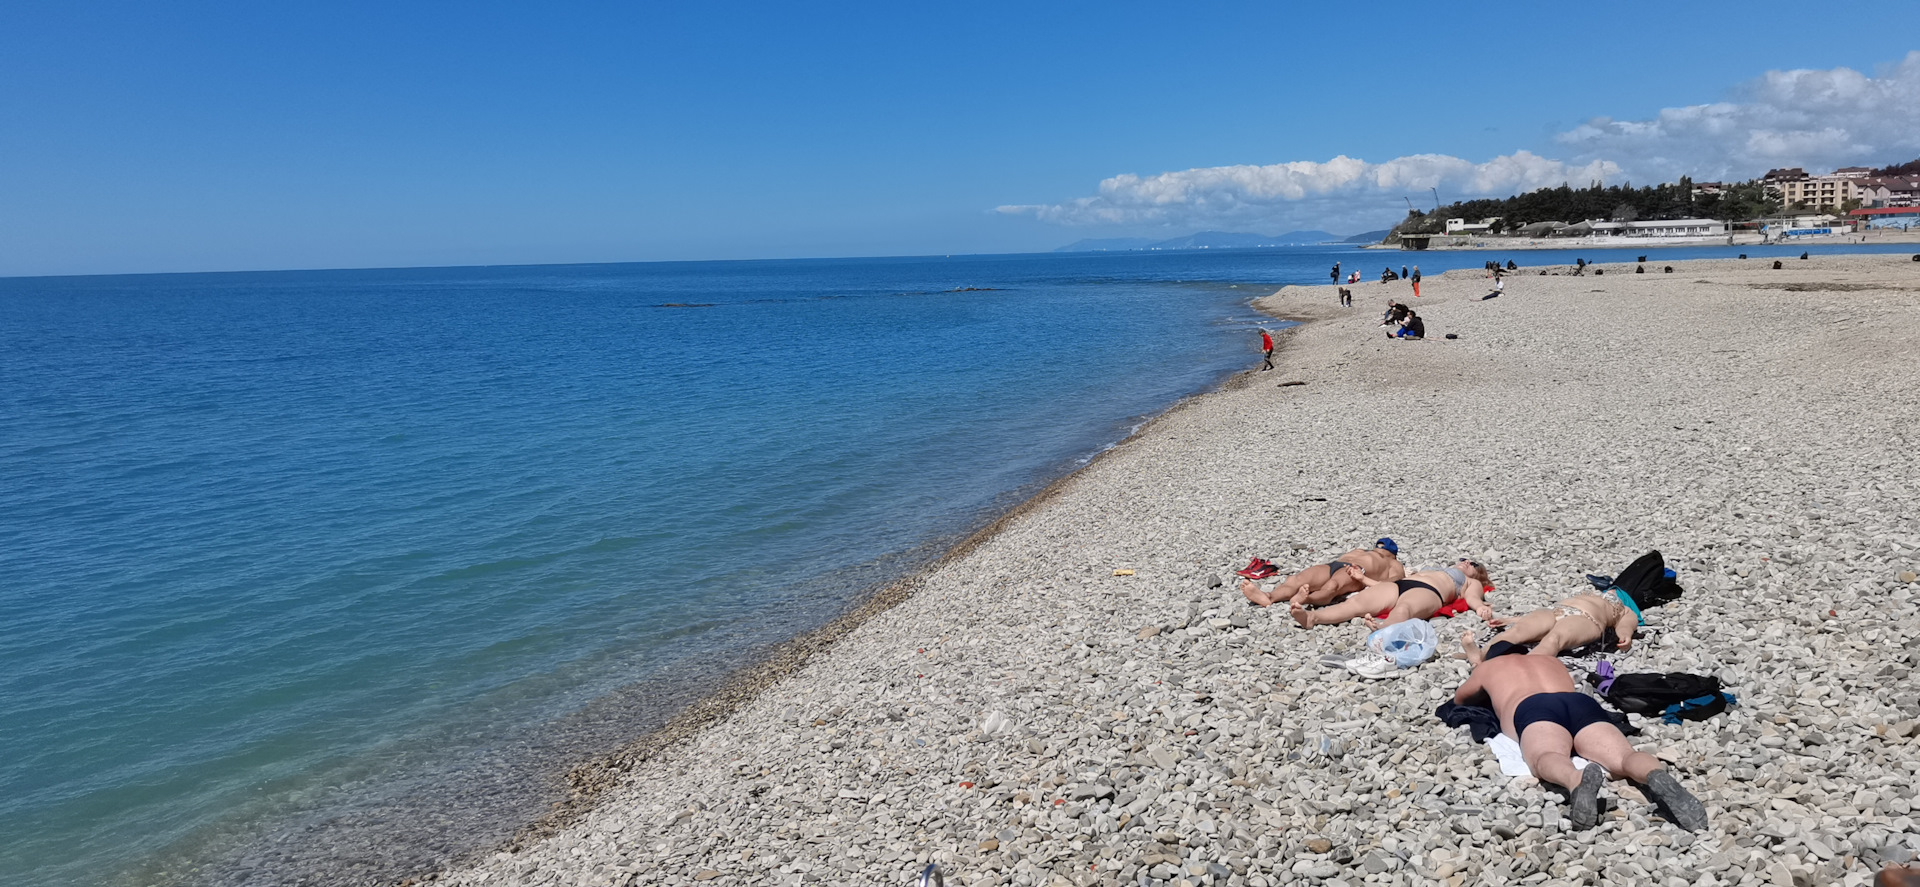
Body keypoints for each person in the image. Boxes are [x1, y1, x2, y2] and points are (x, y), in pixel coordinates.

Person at [1452, 650, 1708, 830]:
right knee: (1623, 757)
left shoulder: (1489, 667)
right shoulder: (1549, 660)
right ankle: (1655, 774)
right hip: (1578, 703)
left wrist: (1483, 678)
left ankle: (1575, 780)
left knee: (1546, 757)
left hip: (1533, 708)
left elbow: (1460, 700)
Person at [1290, 558, 1492, 629]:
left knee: (1404, 608)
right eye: (1465, 559)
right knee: (1355, 603)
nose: (1467, 562)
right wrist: (1363, 580)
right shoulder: (1435, 568)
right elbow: (1378, 584)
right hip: (1400, 584)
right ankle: (1312, 618)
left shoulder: (1470, 581)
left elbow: (1473, 597)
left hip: (1430, 591)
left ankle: (1383, 629)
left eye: (1474, 564)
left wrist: (1480, 607)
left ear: (1478, 574)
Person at [1458, 587, 1640, 662]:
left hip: (1587, 619)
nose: (1613, 590)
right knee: (1517, 631)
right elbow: (1527, 620)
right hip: (1557, 610)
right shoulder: (1590, 592)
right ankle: (1479, 656)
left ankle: (1527, 667)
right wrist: (1513, 619)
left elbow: (1627, 623)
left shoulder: (1624, 608)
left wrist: (1625, 634)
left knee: (1555, 639)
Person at [1240, 538, 1405, 608]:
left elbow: (1394, 585)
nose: (1380, 548)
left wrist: (1363, 579)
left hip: (1356, 571)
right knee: (1298, 579)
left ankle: (1307, 599)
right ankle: (1269, 597)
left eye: (1383, 548)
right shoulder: (1361, 550)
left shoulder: (1394, 563)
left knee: (1331, 587)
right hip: (1335, 565)